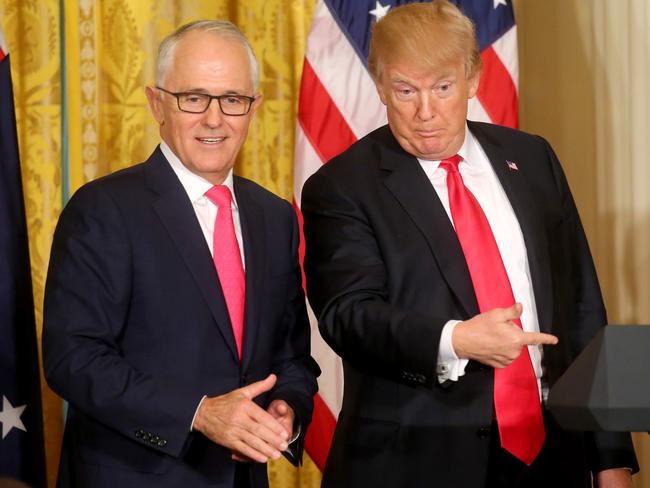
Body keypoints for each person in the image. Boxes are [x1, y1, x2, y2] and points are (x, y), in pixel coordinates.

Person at [301, 2, 637, 487]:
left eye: (442, 87)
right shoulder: (342, 186)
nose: (425, 111)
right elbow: (347, 316)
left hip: (552, 455)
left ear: (473, 80)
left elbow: (585, 305)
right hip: (416, 463)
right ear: (379, 87)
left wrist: (612, 457)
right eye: (405, 90)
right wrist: (455, 341)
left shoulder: (533, 156)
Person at [42, 20, 319, 488]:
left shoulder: (274, 217)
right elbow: (74, 357)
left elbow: (291, 354)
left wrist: (286, 406)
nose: (214, 119)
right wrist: (199, 413)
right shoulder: (104, 209)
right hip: (134, 476)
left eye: (232, 99)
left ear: (253, 108)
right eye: (193, 98)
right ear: (157, 104)